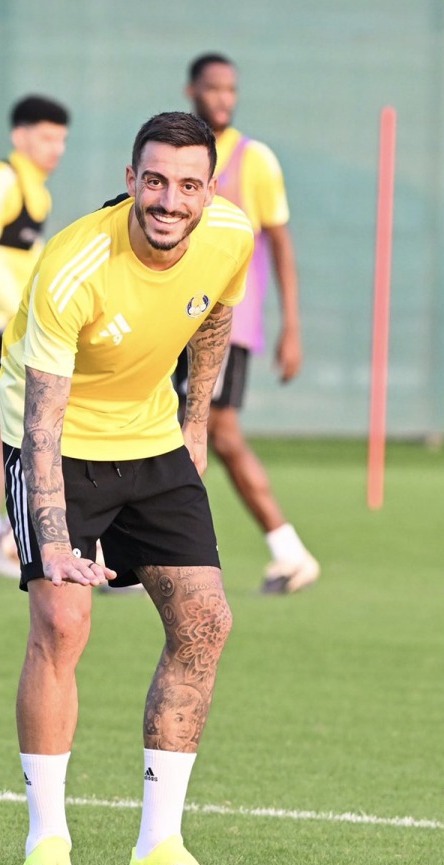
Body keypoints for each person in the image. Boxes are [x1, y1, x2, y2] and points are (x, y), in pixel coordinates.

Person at [0, 111, 253, 865]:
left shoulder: (230, 233)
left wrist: (196, 425)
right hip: (57, 445)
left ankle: (159, 845)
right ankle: (48, 844)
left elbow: (215, 313)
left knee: (206, 621)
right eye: (154, 181)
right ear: (130, 178)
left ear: (208, 188)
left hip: (151, 440)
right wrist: (54, 542)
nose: (169, 200)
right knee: (62, 622)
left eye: (187, 184)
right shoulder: (75, 264)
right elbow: (41, 420)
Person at [178, 51, 318, 595]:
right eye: (214, 88)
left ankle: (289, 549)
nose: (224, 98)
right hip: (172, 324)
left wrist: (292, 327)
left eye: (231, 89)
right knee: (172, 430)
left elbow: (280, 245)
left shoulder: (253, 160)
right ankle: (139, 557)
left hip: (225, 325)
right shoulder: (182, 160)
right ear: (192, 90)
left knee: (222, 433)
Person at [0, 95, 69, 579]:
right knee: (26, 433)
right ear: (18, 134)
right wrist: (22, 314)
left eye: (62, 139)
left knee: (1, 433)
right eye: (46, 136)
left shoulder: (37, 191)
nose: (56, 148)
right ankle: (9, 541)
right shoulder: (1, 180)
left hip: (12, 328)